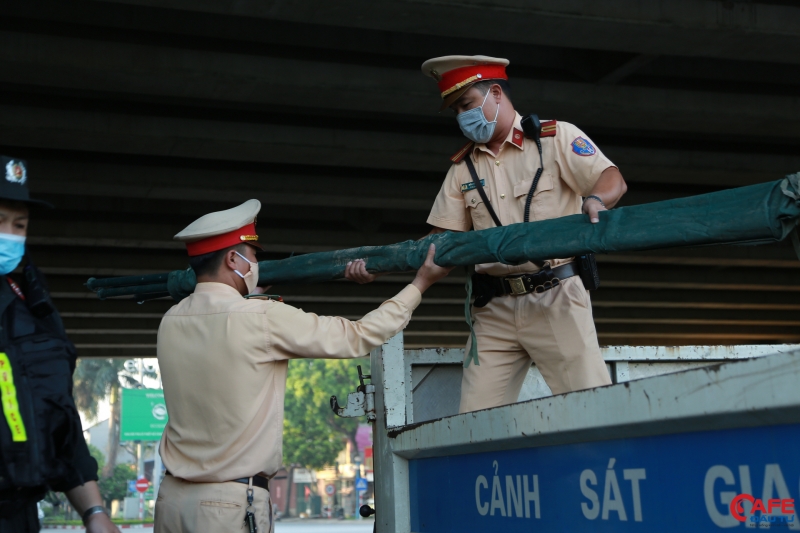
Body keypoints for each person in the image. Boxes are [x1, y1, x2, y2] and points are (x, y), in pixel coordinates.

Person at [347, 55, 628, 413]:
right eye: (456, 111)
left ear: (495, 93)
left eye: (467, 104)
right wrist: (378, 266)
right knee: (475, 424)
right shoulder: (463, 167)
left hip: (555, 295)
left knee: (593, 412)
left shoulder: (553, 139)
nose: (463, 117)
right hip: (493, 309)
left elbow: (612, 180)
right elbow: (439, 244)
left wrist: (594, 199)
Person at [154, 199, 451, 533]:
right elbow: (358, 335)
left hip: (171, 501)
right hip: (227, 506)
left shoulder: (171, 319)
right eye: (253, 256)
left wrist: (248, 297)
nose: (256, 265)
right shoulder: (262, 318)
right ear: (232, 259)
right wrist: (420, 284)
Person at [0, 157, 119, 533]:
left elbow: (58, 417)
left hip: (19, 515)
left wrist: (95, 512)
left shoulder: (29, 306)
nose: (9, 234)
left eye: (19, 225)